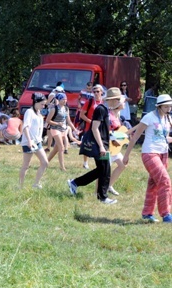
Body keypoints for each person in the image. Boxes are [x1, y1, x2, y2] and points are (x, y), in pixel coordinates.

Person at [67, 87, 124, 205]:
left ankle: (75, 183)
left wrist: (112, 139)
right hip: (100, 145)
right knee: (105, 169)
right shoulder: (101, 109)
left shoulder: (106, 109)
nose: (119, 102)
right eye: (118, 99)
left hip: (104, 143)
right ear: (112, 99)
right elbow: (94, 128)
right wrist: (101, 146)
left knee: (101, 170)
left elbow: (104, 129)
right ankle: (102, 197)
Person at [122, 94, 172, 222]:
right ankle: (166, 214)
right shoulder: (149, 117)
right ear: (159, 106)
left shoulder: (168, 119)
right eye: (166, 106)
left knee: (154, 183)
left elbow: (163, 137)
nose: (169, 108)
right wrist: (126, 155)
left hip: (163, 153)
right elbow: (135, 137)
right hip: (149, 153)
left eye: (170, 106)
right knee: (165, 181)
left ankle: (147, 213)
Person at [19, 93, 49, 188]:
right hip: (29, 142)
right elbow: (26, 127)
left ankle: (36, 184)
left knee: (45, 162)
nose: (43, 106)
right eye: (42, 104)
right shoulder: (29, 112)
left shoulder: (39, 113)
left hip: (37, 142)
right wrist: (29, 141)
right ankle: (20, 186)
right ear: (36, 102)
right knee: (26, 165)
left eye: (44, 104)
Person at [46, 92, 76, 170]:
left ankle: (45, 162)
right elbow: (48, 120)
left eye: (66, 99)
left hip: (63, 129)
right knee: (61, 147)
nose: (65, 101)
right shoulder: (54, 109)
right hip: (55, 129)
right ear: (59, 100)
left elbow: (69, 121)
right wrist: (57, 123)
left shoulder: (66, 109)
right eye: (63, 99)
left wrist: (75, 129)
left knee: (56, 149)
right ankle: (62, 167)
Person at [78, 84, 104, 169]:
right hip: (89, 127)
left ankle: (102, 162)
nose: (96, 93)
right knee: (88, 144)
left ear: (102, 92)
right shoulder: (89, 102)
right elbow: (82, 115)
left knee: (102, 144)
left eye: (98, 91)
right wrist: (91, 122)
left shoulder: (104, 102)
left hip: (100, 127)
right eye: (94, 91)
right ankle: (85, 163)